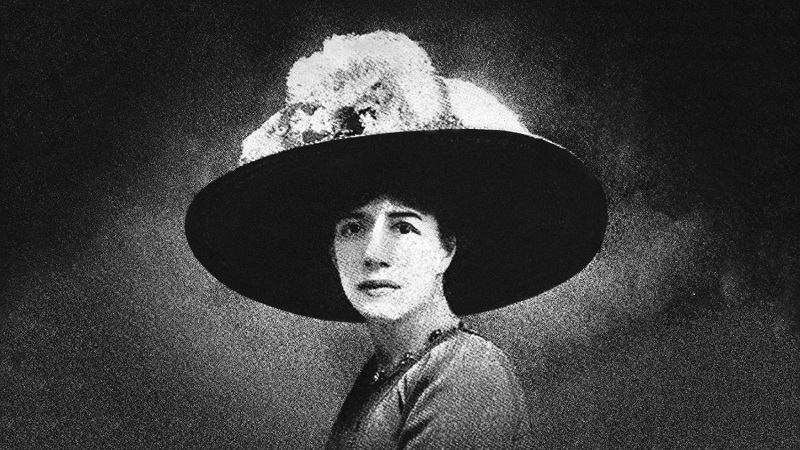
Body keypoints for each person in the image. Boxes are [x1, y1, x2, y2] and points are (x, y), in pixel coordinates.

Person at [185, 31, 607, 448]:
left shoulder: (466, 370)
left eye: (403, 227)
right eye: (352, 228)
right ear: (332, 250)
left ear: (445, 249)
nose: (373, 254)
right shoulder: (383, 371)